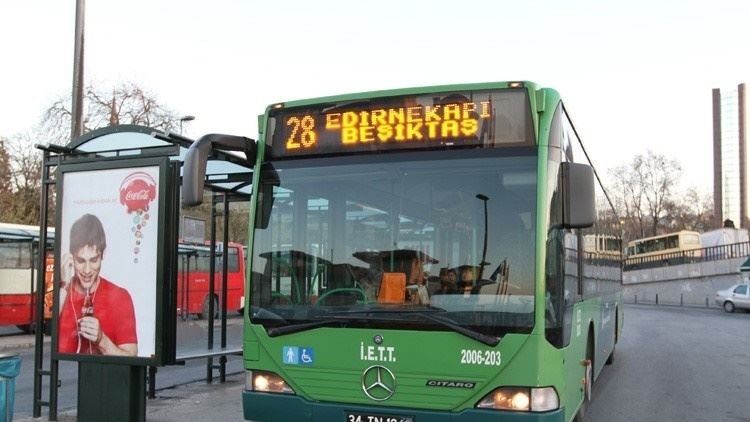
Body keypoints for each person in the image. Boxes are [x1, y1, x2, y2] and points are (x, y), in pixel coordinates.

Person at [58, 214, 138, 356]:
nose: (87, 270)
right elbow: (43, 333)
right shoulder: (62, 293)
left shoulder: (119, 297)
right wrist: (64, 284)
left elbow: (131, 356)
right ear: (71, 258)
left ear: (103, 255)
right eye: (81, 261)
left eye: (93, 260)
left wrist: (101, 340)